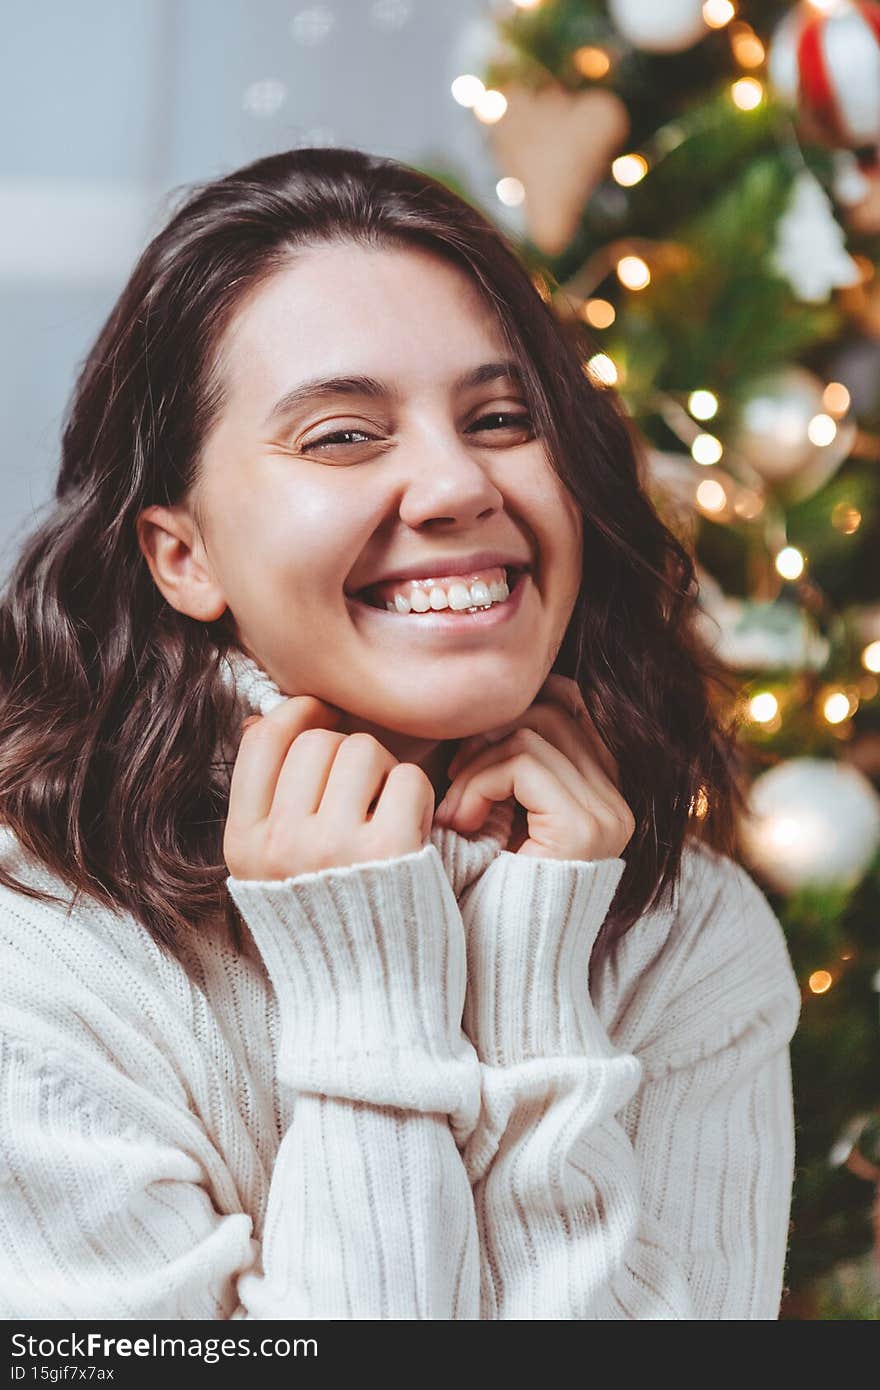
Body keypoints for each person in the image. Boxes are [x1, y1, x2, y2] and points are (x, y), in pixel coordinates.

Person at [0, 145, 801, 1320]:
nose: (456, 484)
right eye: (341, 435)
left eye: (502, 416)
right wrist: (364, 992)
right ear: (185, 554)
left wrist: (534, 983)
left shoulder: (690, 933)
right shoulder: (39, 954)